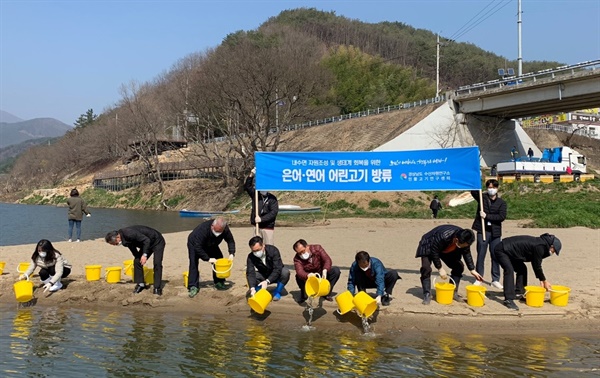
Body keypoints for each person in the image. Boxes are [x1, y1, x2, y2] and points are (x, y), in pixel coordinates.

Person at [415, 225, 483, 305]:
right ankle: (427, 294)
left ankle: (453, 292)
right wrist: (440, 268)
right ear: (457, 240)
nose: (465, 247)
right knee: (426, 268)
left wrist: (472, 270)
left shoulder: (465, 239)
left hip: (446, 249)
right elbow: (434, 252)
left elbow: (467, 253)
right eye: (464, 245)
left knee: (458, 267)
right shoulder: (443, 236)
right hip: (429, 244)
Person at [494, 233, 562, 311]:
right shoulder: (540, 247)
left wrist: (542, 280)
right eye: (554, 251)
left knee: (522, 269)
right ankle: (508, 299)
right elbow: (536, 265)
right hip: (502, 250)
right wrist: (543, 280)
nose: (552, 253)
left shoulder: (542, 244)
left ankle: (519, 292)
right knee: (509, 270)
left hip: (512, 252)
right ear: (551, 246)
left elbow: (535, 263)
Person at [105, 225, 166, 295]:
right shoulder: (123, 240)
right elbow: (132, 247)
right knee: (137, 262)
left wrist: (144, 255)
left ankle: (157, 288)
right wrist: (138, 257)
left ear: (117, 237)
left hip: (156, 241)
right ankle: (141, 284)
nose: (114, 245)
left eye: (114, 243)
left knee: (157, 263)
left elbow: (146, 240)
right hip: (146, 244)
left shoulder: (129, 233)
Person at [470, 179, 507, 290]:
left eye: (493, 187)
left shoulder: (501, 203)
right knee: (481, 254)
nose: (491, 189)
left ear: (497, 188)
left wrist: (487, 216)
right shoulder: (482, 198)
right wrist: (477, 177)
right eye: (489, 187)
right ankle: (478, 278)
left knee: (495, 255)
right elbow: (473, 191)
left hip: (495, 232)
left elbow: (501, 217)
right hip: (482, 230)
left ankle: (495, 279)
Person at [186, 217, 236, 298]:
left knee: (219, 258)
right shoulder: (202, 230)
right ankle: (193, 286)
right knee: (193, 263)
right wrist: (208, 259)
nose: (218, 233)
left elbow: (230, 240)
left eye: (220, 231)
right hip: (194, 243)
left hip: (212, 244)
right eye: (216, 231)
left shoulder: (225, 229)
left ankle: (219, 282)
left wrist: (231, 253)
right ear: (212, 226)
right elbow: (198, 247)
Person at [292, 239, 341, 304]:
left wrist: (325, 270)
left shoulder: (318, 248)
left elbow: (327, 260)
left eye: (303, 251)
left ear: (307, 247)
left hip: (321, 272)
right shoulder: (297, 259)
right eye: (299, 253)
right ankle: (304, 294)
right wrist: (307, 275)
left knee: (335, 271)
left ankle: (326, 292)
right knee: (298, 276)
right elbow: (299, 271)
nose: (302, 254)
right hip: (309, 277)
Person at [247, 236, 290, 301]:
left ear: (263, 246)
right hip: (263, 274)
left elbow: (277, 268)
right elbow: (250, 272)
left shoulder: (273, 251)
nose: (256, 253)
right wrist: (252, 288)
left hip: (276, 274)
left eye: (258, 250)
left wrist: (267, 281)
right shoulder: (251, 257)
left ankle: (277, 291)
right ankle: (259, 291)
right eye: (254, 251)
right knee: (254, 275)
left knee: (285, 272)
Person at [244, 168, 279, 245]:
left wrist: (261, 219)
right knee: (256, 246)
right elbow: (247, 186)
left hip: (267, 227)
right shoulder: (255, 195)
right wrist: (251, 175)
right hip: (256, 226)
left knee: (269, 246)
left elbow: (273, 213)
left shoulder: (272, 199)